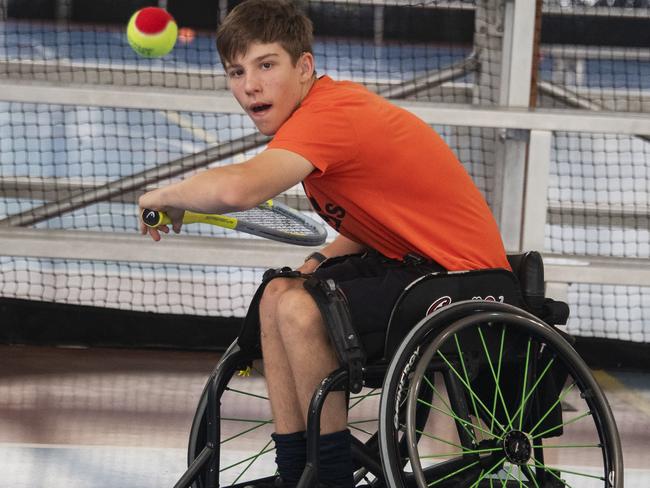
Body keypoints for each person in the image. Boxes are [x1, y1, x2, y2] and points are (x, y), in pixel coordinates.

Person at [138, 0, 510, 486]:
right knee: (278, 294)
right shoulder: (320, 115)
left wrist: (166, 193)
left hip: (466, 279)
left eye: (266, 65)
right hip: (411, 265)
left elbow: (241, 188)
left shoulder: (329, 114)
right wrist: (316, 261)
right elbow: (369, 222)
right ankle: (295, 470)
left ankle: (329, 474)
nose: (249, 85)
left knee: (302, 310)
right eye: (236, 71)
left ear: (304, 66)